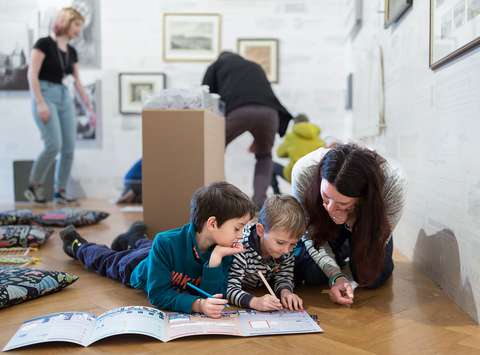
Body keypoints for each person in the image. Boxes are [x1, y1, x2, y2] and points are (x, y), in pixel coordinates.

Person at [59, 182, 257, 318]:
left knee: (148, 245)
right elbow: (158, 294)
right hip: (137, 268)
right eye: (238, 228)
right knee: (107, 260)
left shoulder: (224, 250)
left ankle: (134, 236)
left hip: (155, 253)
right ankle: (77, 245)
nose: (241, 235)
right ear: (212, 223)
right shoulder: (166, 242)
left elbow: (214, 297)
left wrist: (215, 259)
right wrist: (197, 305)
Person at [291, 143, 406, 306]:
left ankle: (347, 246)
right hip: (322, 225)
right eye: (325, 196)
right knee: (313, 274)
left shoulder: (393, 183)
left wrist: (351, 221)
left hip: (369, 224)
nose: (329, 207)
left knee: (372, 278)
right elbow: (310, 233)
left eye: (341, 202)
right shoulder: (304, 171)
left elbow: (380, 235)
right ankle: (342, 248)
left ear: (362, 198)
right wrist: (336, 276)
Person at [202, 51, 293, 207]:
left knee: (213, 150)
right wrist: (258, 135)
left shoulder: (217, 65)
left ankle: (214, 199)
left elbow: (206, 95)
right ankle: (259, 202)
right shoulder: (254, 66)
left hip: (239, 111)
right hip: (269, 113)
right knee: (264, 157)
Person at [25, 7, 94, 204]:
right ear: (66, 22)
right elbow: (32, 74)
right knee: (54, 144)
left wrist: (89, 108)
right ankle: (34, 185)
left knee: (69, 147)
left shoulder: (71, 51)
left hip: (64, 95)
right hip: (45, 94)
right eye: (77, 24)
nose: (79, 30)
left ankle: (60, 191)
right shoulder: (43, 44)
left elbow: (78, 82)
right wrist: (40, 103)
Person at [227, 194, 306, 311]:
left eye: (293, 244)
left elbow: (284, 276)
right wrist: (255, 302)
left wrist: (286, 292)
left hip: (261, 291)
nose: (286, 250)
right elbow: (229, 289)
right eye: (280, 242)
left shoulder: (287, 247)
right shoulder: (240, 247)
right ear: (260, 231)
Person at [271, 113, 325, 194]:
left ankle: (277, 194)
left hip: (295, 175)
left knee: (271, 166)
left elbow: (279, 153)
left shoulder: (290, 136)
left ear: (295, 123)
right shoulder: (317, 137)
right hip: (314, 177)